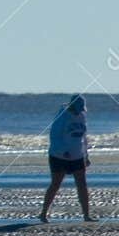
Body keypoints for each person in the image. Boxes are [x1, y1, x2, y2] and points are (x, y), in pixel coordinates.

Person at [39, 94, 95, 223]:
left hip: (77, 155)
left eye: (81, 109)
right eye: (77, 108)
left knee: (82, 185)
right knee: (55, 184)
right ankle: (43, 213)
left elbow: (84, 138)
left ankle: (86, 215)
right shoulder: (62, 116)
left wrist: (86, 155)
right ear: (72, 106)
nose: (79, 111)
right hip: (59, 156)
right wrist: (63, 151)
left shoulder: (82, 116)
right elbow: (54, 136)